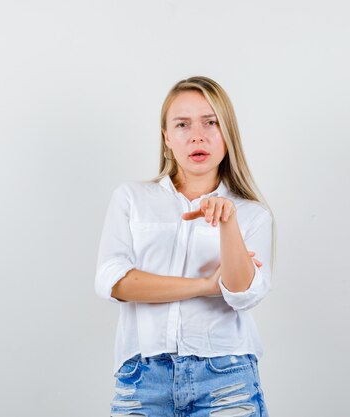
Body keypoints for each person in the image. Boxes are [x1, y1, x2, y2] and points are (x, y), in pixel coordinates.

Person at [94, 75, 275, 417]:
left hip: (226, 378)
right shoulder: (132, 198)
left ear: (227, 135)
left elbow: (242, 293)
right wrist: (206, 286)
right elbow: (114, 282)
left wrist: (228, 223)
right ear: (166, 137)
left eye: (211, 122)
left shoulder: (252, 214)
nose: (197, 135)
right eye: (182, 124)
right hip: (142, 378)